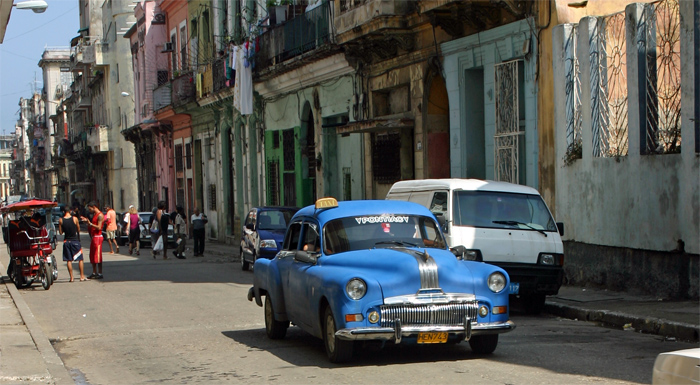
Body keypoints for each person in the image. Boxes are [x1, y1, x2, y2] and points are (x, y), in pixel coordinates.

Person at [58, 206, 87, 282]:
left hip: (66, 241)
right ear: (70, 211)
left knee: (69, 260)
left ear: (63, 212)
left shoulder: (61, 220)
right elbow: (78, 229)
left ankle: (71, 277)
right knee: (80, 259)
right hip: (75, 241)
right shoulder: (74, 219)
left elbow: (60, 232)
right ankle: (82, 276)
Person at [81, 201, 104, 279]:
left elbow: (99, 227)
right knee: (92, 255)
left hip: (98, 237)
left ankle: (100, 272)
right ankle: (94, 272)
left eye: (90, 209)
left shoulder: (100, 215)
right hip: (94, 237)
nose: (89, 211)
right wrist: (87, 222)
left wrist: (90, 223)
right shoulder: (94, 215)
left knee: (97, 255)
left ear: (94, 207)